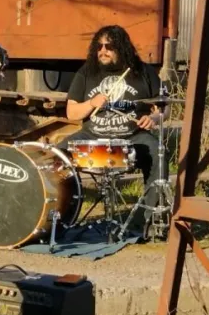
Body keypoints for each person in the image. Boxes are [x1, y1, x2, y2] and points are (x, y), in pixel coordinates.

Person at [64, 25, 163, 235]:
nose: (102, 50)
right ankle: (62, 217)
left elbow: (162, 109)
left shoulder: (142, 71)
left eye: (108, 46)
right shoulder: (87, 72)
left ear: (121, 48)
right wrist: (92, 102)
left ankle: (148, 220)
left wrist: (153, 118)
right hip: (92, 135)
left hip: (132, 136)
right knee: (55, 156)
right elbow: (71, 113)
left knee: (157, 153)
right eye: (99, 46)